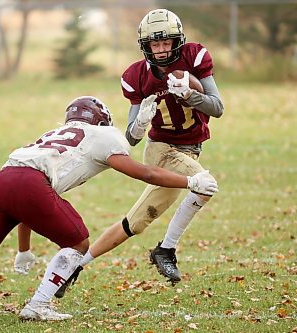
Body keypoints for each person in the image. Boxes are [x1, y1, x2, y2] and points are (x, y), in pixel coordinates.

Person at [0, 96, 218, 329]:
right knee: (78, 242)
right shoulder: (101, 134)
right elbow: (142, 172)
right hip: (29, 185)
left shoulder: (50, 138)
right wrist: (190, 179)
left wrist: (24, 250)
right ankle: (38, 305)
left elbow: (24, 196)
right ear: (101, 120)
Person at [54, 8, 224, 297]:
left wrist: (191, 96)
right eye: (155, 45)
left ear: (177, 42)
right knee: (205, 185)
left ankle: (76, 266)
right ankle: (167, 249)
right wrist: (141, 123)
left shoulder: (194, 58)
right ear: (146, 47)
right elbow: (132, 138)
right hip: (162, 151)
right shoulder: (137, 76)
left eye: (166, 43)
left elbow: (217, 108)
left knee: (135, 222)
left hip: (189, 150)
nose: (160, 50)